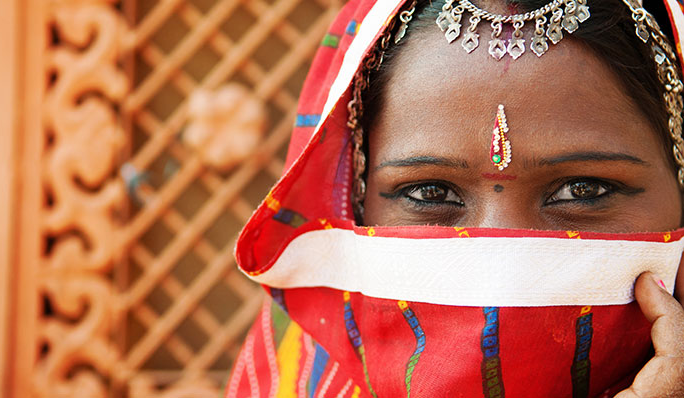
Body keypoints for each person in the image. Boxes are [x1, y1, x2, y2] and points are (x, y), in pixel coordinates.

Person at [227, 0, 684, 397]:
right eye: (430, 193)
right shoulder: (294, 375)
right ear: (354, 207)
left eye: (583, 191)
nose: (504, 279)